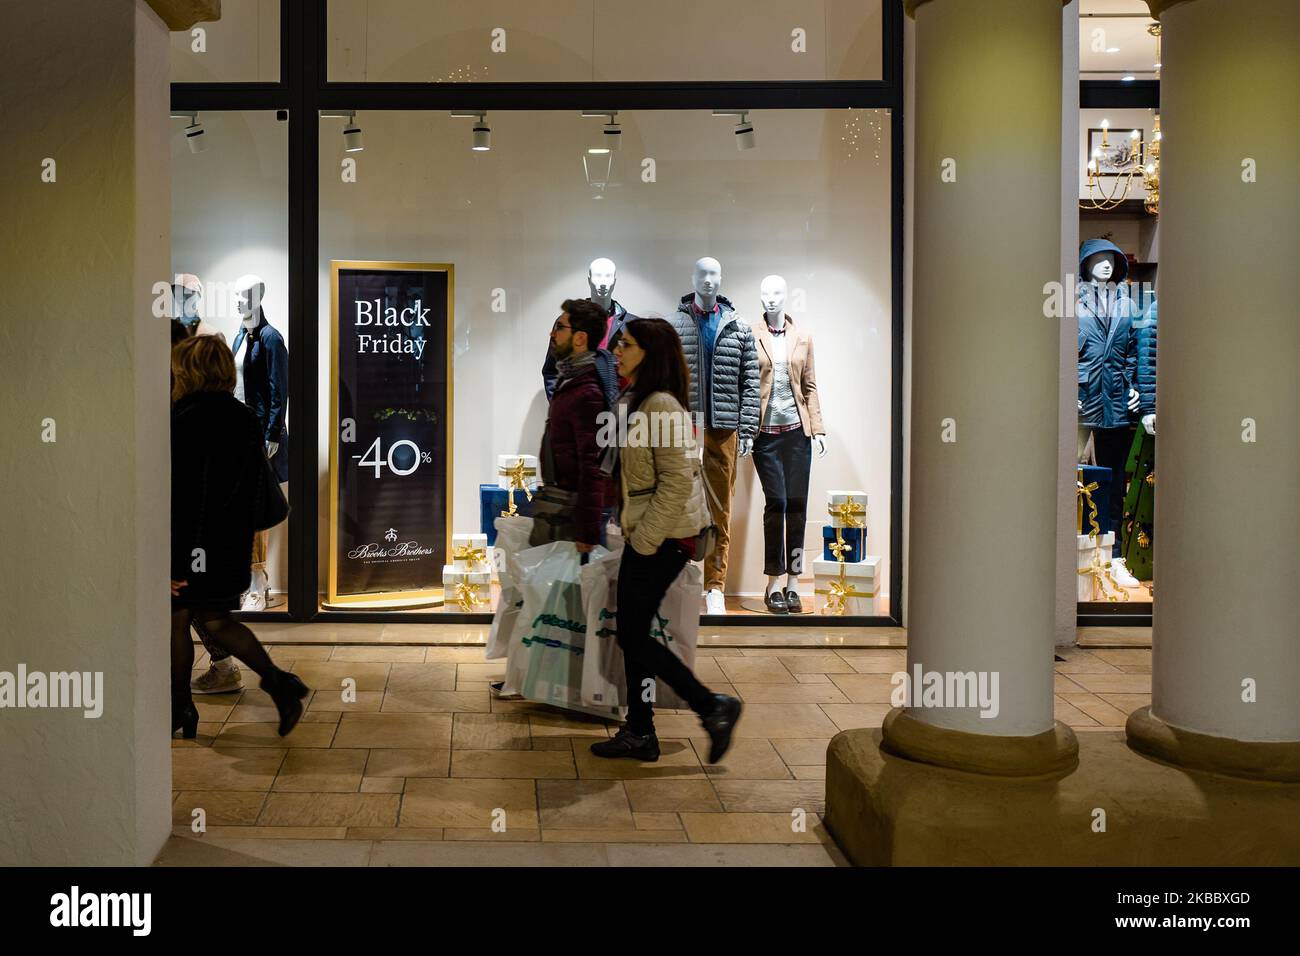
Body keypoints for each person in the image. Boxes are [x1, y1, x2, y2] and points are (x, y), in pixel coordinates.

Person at [590, 317, 743, 763]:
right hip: (651, 535)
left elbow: (677, 482)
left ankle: (712, 706)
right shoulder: (636, 400)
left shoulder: (661, 406)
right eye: (619, 344)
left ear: (650, 353)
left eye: (628, 345)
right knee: (633, 633)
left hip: (665, 538)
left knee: (634, 635)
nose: (617, 351)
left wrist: (644, 541)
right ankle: (641, 730)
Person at [169, 335, 308, 739]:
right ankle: (279, 684)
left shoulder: (181, 419)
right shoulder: (245, 418)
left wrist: (175, 561)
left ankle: (182, 710)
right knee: (214, 618)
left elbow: (186, 495)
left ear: (185, 370)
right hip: (230, 542)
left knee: (178, 621)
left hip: (191, 543)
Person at [531, 299, 612, 551]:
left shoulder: (587, 392)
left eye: (560, 327)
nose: (552, 333)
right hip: (565, 507)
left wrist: (587, 533)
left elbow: (593, 466)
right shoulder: (571, 380)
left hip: (576, 516)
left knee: (575, 590)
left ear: (579, 338)